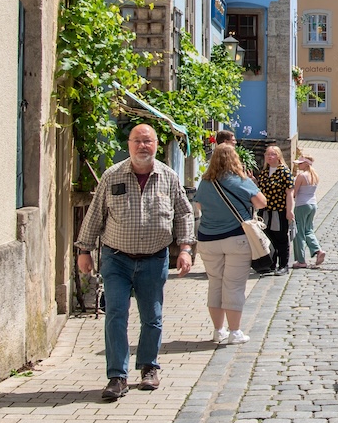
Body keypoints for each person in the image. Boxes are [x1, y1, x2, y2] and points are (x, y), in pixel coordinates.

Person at [75, 124, 194, 401]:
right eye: (137, 141)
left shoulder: (168, 177)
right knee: (116, 314)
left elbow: (183, 214)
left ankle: (149, 367)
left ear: (156, 144)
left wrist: (186, 248)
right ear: (128, 144)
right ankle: (117, 376)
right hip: (117, 259)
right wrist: (84, 250)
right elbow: (95, 215)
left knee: (152, 316)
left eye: (148, 141)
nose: (143, 146)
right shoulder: (112, 176)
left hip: (154, 259)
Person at [194, 143, 267, 344]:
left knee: (215, 284)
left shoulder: (205, 183)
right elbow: (262, 202)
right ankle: (234, 332)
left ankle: (218, 330)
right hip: (236, 238)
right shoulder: (241, 181)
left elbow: (198, 205)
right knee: (234, 286)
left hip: (208, 239)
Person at [258, 145, 295, 274]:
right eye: (267, 154)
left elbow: (289, 193)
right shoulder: (264, 172)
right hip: (265, 210)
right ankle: (271, 264)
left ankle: (283, 265)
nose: (269, 156)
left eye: (272, 154)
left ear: (278, 156)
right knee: (268, 237)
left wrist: (290, 210)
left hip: (279, 210)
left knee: (281, 238)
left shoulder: (284, 172)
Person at [293, 154, 326, 267]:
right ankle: (318, 250)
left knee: (299, 232)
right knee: (308, 230)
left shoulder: (301, 176)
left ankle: (301, 260)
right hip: (313, 204)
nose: (298, 165)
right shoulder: (315, 175)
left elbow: (294, 193)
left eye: (300, 163)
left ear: (306, 164)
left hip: (302, 205)